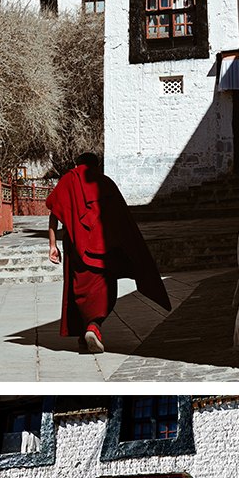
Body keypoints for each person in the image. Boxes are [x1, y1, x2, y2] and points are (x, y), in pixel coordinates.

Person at [46, 151, 169, 354]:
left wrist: (52, 245)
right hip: (104, 248)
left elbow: (54, 213)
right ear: (95, 166)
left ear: (77, 164)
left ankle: (83, 337)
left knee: (76, 290)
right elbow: (123, 221)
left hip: (76, 249)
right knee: (104, 290)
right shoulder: (105, 183)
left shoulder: (69, 180)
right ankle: (93, 327)